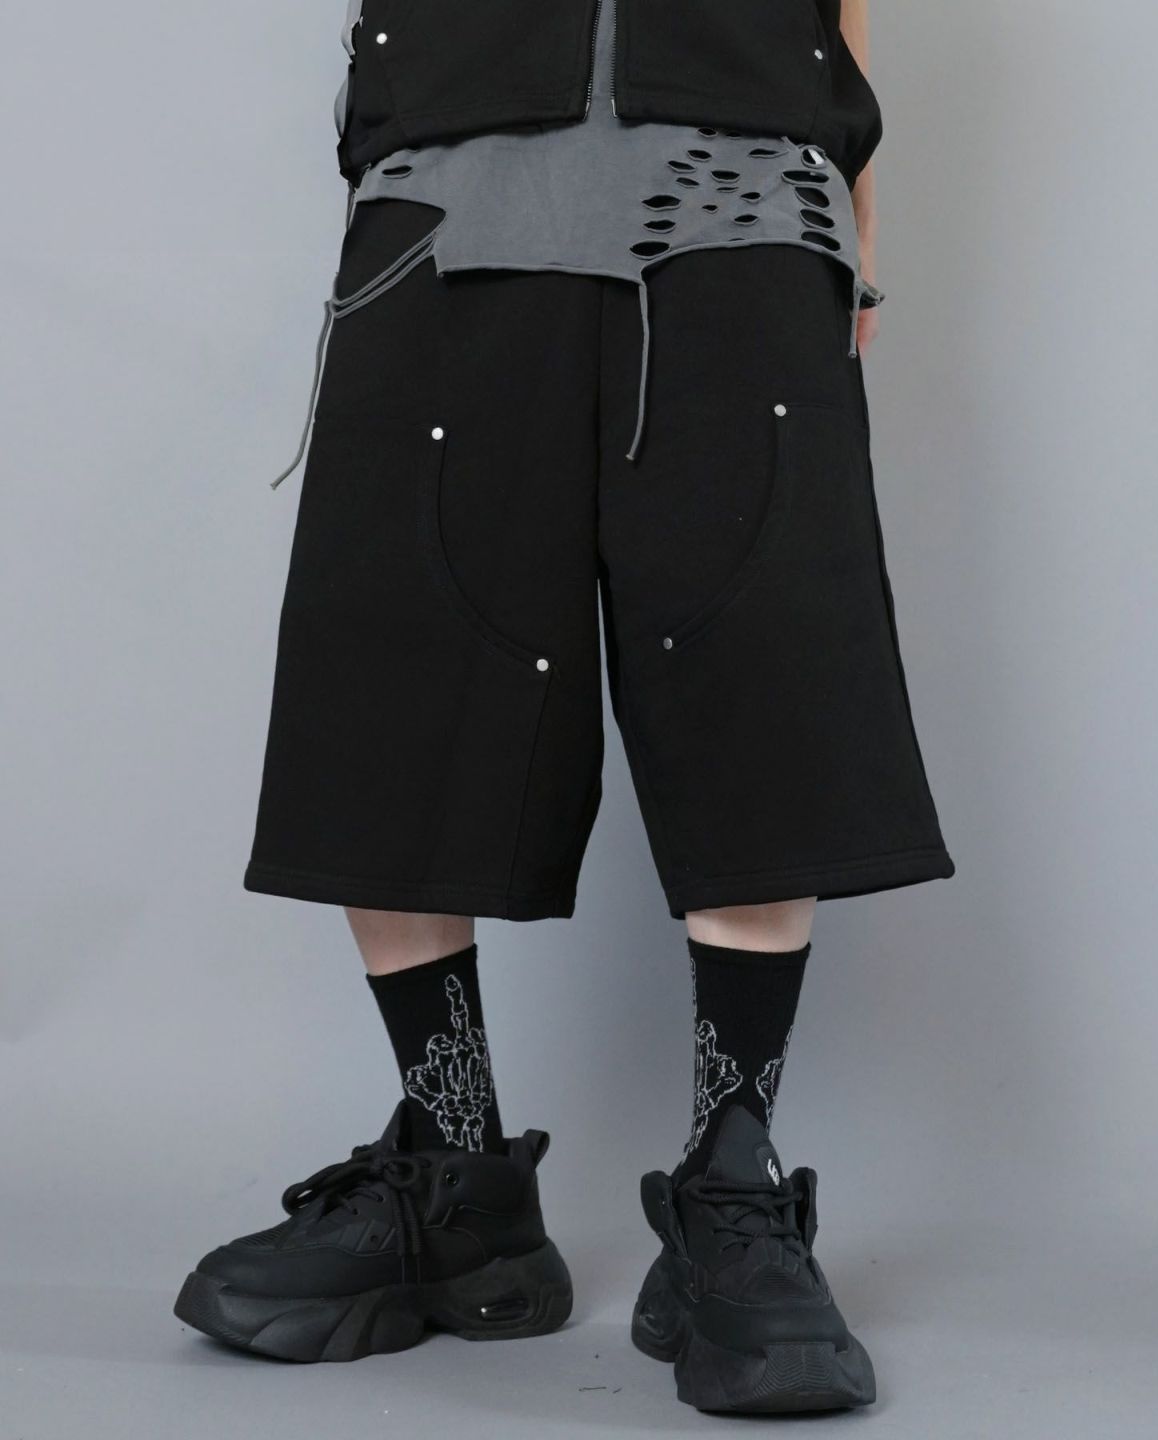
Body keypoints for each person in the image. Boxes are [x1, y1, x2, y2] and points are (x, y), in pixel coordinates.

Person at [175, 0, 954, 1413]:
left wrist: (857, 227)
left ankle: (730, 1186)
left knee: (758, 677)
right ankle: (456, 1182)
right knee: (401, 674)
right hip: (439, 201)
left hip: (744, 193)